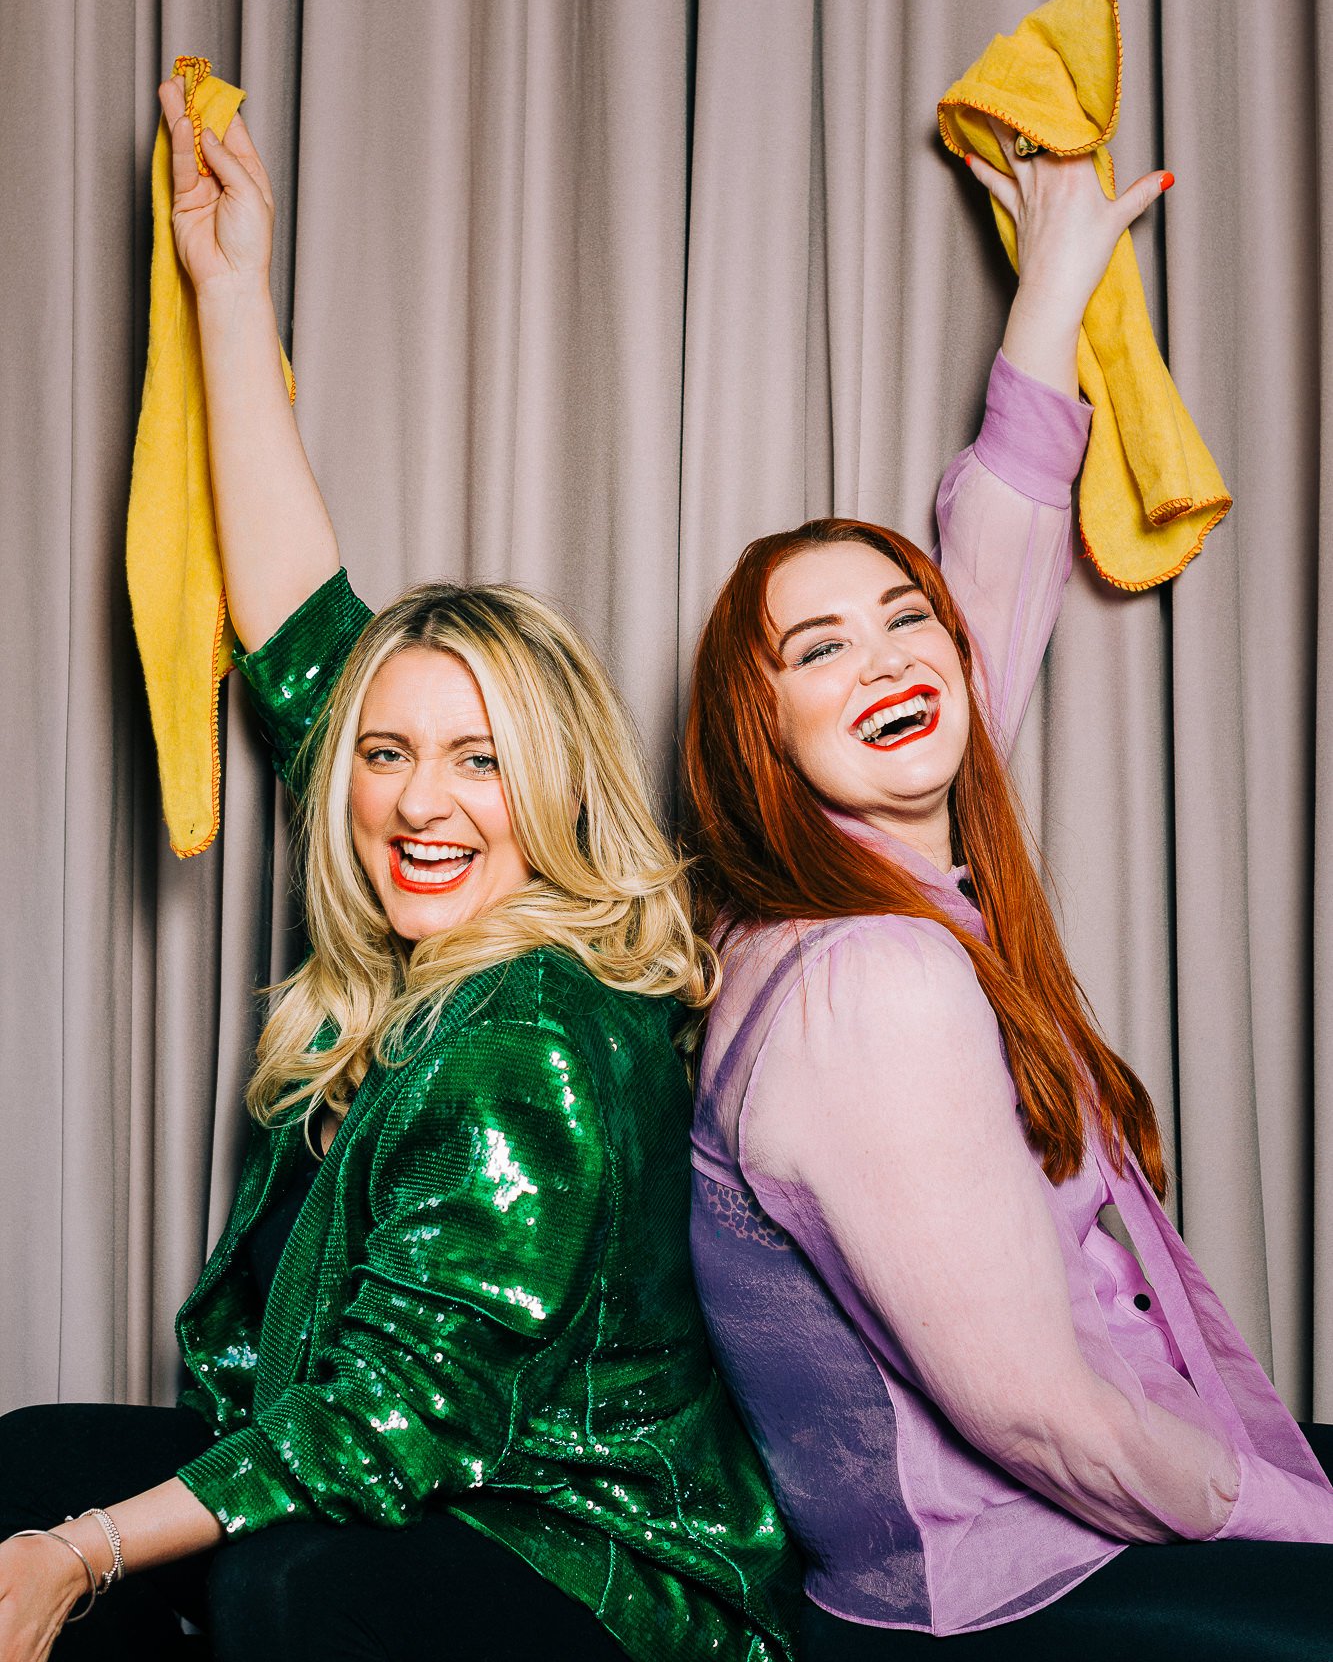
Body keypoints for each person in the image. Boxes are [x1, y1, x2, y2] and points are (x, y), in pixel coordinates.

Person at [0, 84, 799, 1661]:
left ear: (550, 792)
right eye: (386, 754)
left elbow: (393, 1415)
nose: (419, 802)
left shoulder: (529, 1033)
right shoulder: (433, 918)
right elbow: (304, 640)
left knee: (272, 1587)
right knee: (33, 1454)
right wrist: (230, 287)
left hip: (595, 1562)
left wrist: (85, 1556)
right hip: (440, 1490)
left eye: (479, 761)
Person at [682, 127, 1333, 1658]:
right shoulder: (866, 981)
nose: (887, 658)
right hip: (1007, 1591)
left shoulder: (868, 894)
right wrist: (1306, 1522)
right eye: (818, 648)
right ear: (759, 730)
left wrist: (1054, 288)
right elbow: (1039, 1420)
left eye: (903, 618)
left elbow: (987, 585)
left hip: (1085, 1524)